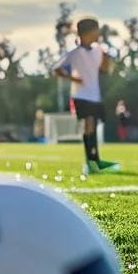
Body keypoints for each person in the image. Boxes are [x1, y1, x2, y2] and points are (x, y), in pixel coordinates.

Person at [53, 17, 119, 173]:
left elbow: (106, 69)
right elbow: (57, 68)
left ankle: (95, 160)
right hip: (80, 94)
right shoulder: (74, 53)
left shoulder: (98, 49)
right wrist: (73, 78)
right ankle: (90, 162)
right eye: (96, 30)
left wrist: (106, 57)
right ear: (87, 33)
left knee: (94, 125)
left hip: (95, 94)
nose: (98, 33)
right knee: (89, 123)